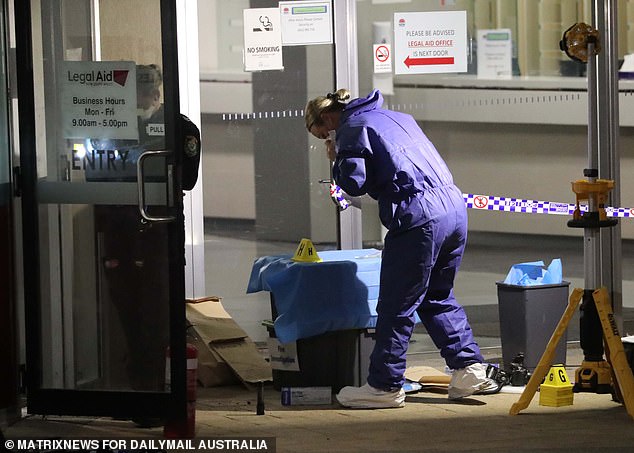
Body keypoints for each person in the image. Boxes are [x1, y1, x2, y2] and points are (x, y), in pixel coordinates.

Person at [304, 89, 498, 408]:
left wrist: (336, 156)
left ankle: (384, 386)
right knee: (437, 295)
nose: (326, 138)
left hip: (418, 217)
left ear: (326, 118)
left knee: (397, 304)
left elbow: (354, 183)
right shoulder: (397, 118)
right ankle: (469, 370)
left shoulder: (353, 128)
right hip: (453, 208)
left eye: (323, 134)